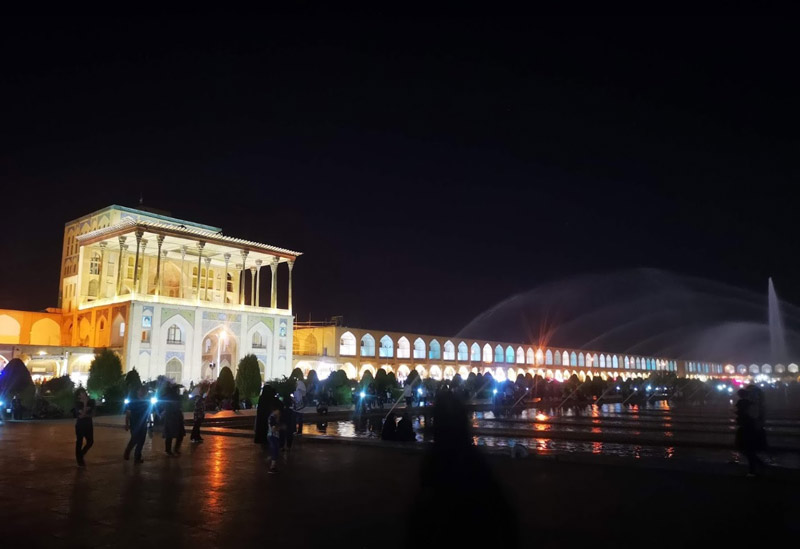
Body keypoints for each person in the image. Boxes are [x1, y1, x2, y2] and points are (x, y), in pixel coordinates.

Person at [735, 388, 764, 476]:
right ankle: (757, 465)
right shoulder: (749, 404)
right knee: (748, 450)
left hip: (746, 429)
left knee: (746, 449)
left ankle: (753, 469)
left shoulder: (743, 404)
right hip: (748, 428)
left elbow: (745, 415)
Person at [124, 386, 149, 463]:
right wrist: (127, 424)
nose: (143, 392)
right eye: (142, 391)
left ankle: (137, 457)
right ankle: (127, 452)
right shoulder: (133, 402)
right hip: (135, 423)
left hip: (143, 424)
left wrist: (150, 423)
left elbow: (148, 413)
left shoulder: (146, 402)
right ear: (138, 391)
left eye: (145, 391)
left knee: (141, 441)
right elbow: (128, 413)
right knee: (134, 439)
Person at [74, 388, 95, 466]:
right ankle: (79, 460)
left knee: (90, 441)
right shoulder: (77, 404)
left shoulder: (91, 402)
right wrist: (85, 403)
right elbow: (81, 416)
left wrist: (85, 413)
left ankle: (81, 454)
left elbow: (92, 414)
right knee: (79, 441)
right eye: (81, 393)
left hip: (89, 424)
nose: (83, 394)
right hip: (80, 425)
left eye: (84, 392)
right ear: (79, 396)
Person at [162, 386, 185, 456]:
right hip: (173, 417)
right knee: (172, 435)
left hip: (173, 417)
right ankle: (171, 450)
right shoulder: (173, 397)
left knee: (173, 435)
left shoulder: (171, 396)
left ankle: (171, 450)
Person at [267, 403, 281, 473]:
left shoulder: (273, 417)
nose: (279, 412)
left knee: (275, 450)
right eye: (278, 410)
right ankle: (272, 467)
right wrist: (281, 427)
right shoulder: (272, 417)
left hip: (272, 436)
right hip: (273, 436)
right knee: (275, 451)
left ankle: (273, 465)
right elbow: (273, 428)